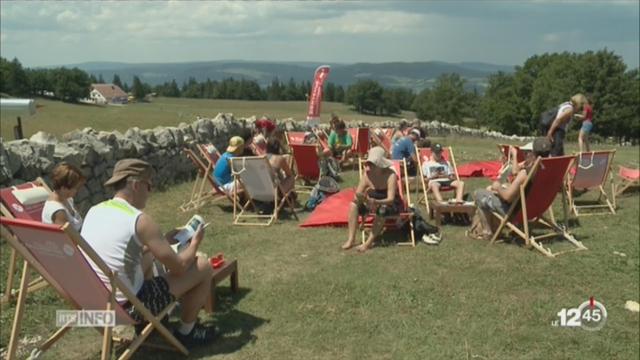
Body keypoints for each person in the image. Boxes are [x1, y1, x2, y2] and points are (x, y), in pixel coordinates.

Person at [81, 159, 215, 346]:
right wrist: (195, 243)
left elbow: (119, 250)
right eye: (149, 185)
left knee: (147, 257)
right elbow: (179, 268)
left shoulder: (94, 211)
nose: (150, 191)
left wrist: (162, 242)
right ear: (136, 185)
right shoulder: (139, 220)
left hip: (95, 300)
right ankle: (188, 332)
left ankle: (150, 326)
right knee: (202, 265)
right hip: (129, 308)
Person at [471, 137, 551, 240]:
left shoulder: (525, 173)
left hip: (514, 212)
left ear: (533, 153)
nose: (525, 155)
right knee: (493, 190)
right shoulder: (548, 170)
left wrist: (498, 187)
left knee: (479, 194)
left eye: (527, 153)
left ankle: (488, 232)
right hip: (535, 209)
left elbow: (507, 197)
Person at [342, 147, 402, 252]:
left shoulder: (390, 175)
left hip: (389, 204)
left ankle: (368, 243)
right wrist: (363, 198)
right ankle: (351, 239)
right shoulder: (367, 175)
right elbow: (358, 194)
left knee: (382, 210)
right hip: (372, 203)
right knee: (353, 205)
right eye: (368, 163)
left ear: (380, 164)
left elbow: (391, 199)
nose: (369, 166)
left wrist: (375, 202)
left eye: (372, 164)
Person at [41, 162, 86, 231]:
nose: (77, 191)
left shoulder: (68, 199)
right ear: (64, 188)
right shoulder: (58, 212)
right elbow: (69, 237)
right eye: (75, 188)